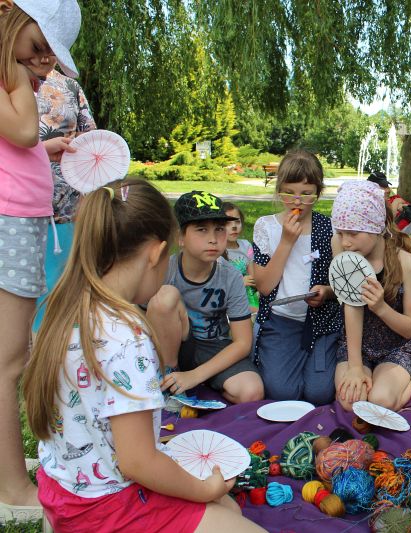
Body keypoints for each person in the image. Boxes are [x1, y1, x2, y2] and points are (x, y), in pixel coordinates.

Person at [23, 179, 266, 532]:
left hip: (63, 490)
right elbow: (138, 462)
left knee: (229, 507)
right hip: (107, 508)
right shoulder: (126, 336)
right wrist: (202, 488)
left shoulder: (66, 305)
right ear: (157, 253)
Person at [0, 0, 81, 522]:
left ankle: (7, 467)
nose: (46, 60)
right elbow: (24, 132)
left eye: (52, 53)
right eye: (41, 45)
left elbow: (21, 144)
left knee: (9, 357)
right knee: (8, 361)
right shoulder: (10, 71)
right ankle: (11, 486)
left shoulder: (13, 75)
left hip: (21, 220)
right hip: (12, 222)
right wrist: (20, 73)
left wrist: (43, 152)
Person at [146, 191, 264, 404]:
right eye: (201, 230)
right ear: (180, 237)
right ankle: (168, 377)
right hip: (174, 345)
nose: (212, 239)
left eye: (219, 229)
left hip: (214, 345)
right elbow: (139, 313)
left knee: (252, 391)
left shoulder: (231, 276)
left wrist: (196, 375)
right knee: (166, 296)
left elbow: (243, 342)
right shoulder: (165, 269)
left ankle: (202, 380)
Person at [251, 150, 341, 405]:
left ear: (318, 192)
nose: (297, 201)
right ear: (279, 190)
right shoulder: (266, 226)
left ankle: (310, 363)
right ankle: (286, 360)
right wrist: (287, 241)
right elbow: (265, 287)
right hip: (281, 321)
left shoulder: (329, 227)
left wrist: (327, 291)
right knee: (282, 393)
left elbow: (342, 284)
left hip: (322, 322)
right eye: (289, 192)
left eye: (306, 193)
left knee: (319, 394)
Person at [331, 181, 411, 412]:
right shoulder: (342, 248)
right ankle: (367, 372)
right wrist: (355, 366)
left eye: (353, 233)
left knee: (380, 401)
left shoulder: (407, 263)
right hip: (356, 346)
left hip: (395, 347)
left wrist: (381, 307)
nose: (345, 241)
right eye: (341, 232)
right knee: (350, 402)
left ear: (378, 227)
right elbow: (351, 307)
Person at [31, 62, 97, 331]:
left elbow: (91, 134)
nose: (45, 56)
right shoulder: (8, 82)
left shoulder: (69, 85)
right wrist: (42, 149)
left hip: (68, 204)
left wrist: (82, 142)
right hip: (18, 202)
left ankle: (59, 343)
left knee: (63, 279)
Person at [221, 202, 258, 312]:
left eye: (237, 221)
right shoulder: (216, 251)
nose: (234, 226)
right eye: (227, 223)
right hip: (227, 298)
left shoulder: (246, 245)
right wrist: (239, 282)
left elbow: (253, 276)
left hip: (249, 294)